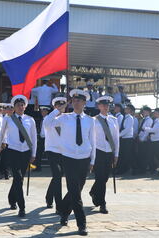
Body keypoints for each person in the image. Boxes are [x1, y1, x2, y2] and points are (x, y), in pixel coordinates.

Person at [44, 89, 96, 236]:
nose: (76, 102)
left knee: (76, 190)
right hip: (68, 158)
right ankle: (82, 224)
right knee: (75, 190)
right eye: (74, 100)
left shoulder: (90, 120)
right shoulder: (64, 118)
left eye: (79, 100)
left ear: (84, 103)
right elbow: (47, 125)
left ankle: (64, 212)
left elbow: (93, 141)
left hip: (84, 158)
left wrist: (92, 160)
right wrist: (57, 110)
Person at [0, 95, 37, 217]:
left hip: (25, 152)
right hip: (13, 151)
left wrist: (33, 153)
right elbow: (2, 133)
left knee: (19, 179)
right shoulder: (8, 119)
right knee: (18, 178)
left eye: (22, 105)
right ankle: (22, 207)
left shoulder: (30, 120)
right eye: (18, 105)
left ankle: (12, 198)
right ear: (14, 107)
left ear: (25, 106)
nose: (20, 107)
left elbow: (34, 138)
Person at [89, 96, 119, 214]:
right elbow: (90, 138)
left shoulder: (114, 120)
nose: (105, 107)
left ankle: (93, 191)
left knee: (105, 178)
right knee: (100, 177)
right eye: (103, 105)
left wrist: (116, 154)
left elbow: (116, 139)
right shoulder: (93, 120)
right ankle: (102, 203)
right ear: (98, 106)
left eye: (107, 105)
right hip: (98, 152)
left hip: (109, 152)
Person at [44, 97, 67, 213]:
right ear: (54, 107)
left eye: (63, 106)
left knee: (57, 177)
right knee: (57, 176)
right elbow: (46, 124)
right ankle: (59, 205)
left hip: (64, 152)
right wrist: (57, 111)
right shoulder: (50, 118)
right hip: (51, 151)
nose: (61, 108)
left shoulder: (66, 118)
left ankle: (49, 197)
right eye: (58, 106)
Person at [144, 108, 159, 175]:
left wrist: (146, 128)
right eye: (154, 112)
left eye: (155, 112)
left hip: (158, 142)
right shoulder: (155, 120)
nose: (154, 113)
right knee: (151, 156)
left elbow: (154, 130)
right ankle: (153, 169)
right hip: (154, 141)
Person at [0, 103, 14, 180]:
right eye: (6, 109)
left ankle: (6, 173)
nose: (7, 110)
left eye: (10, 109)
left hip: (9, 141)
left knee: (6, 158)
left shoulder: (13, 118)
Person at [116, 104, 134, 175]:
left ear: (130, 110)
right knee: (123, 155)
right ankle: (122, 169)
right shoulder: (125, 117)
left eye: (127, 108)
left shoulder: (130, 118)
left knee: (126, 155)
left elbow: (127, 129)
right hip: (123, 138)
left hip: (128, 139)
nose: (125, 109)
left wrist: (119, 135)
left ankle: (125, 170)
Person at [135, 107, 153, 175]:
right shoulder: (143, 119)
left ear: (149, 112)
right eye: (143, 111)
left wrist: (142, 139)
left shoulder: (149, 120)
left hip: (144, 140)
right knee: (140, 155)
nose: (144, 112)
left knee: (144, 155)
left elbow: (146, 131)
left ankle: (143, 170)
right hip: (140, 137)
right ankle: (141, 169)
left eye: (145, 111)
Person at [34, 106, 50, 172]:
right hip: (42, 138)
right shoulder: (42, 119)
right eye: (41, 111)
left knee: (49, 154)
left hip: (47, 138)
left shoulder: (48, 119)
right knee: (38, 153)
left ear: (47, 112)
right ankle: (38, 167)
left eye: (44, 111)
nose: (42, 112)